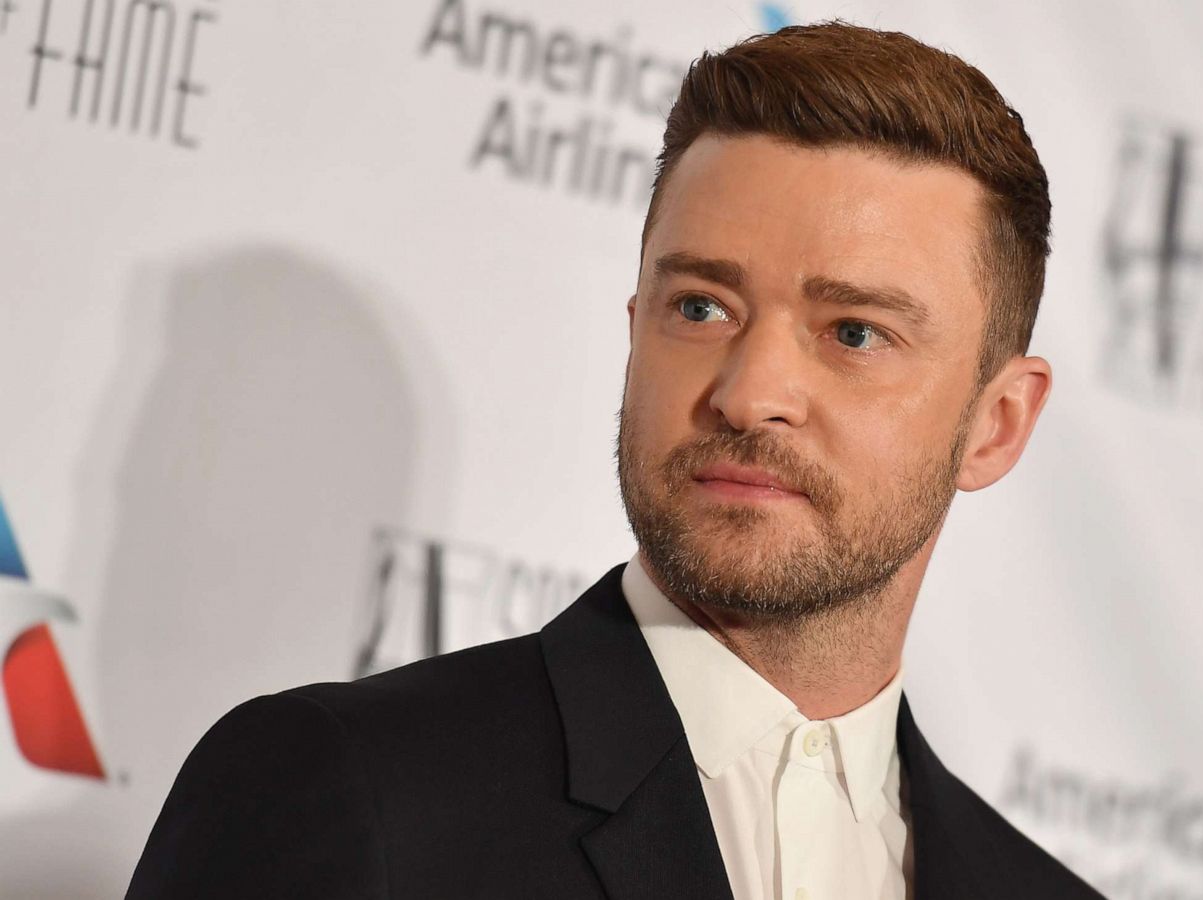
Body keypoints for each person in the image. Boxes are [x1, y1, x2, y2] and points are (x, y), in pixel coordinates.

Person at [127, 21, 1105, 900]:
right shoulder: (351, 792)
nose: (747, 391)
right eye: (700, 308)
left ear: (997, 424)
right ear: (637, 330)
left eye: (852, 332)